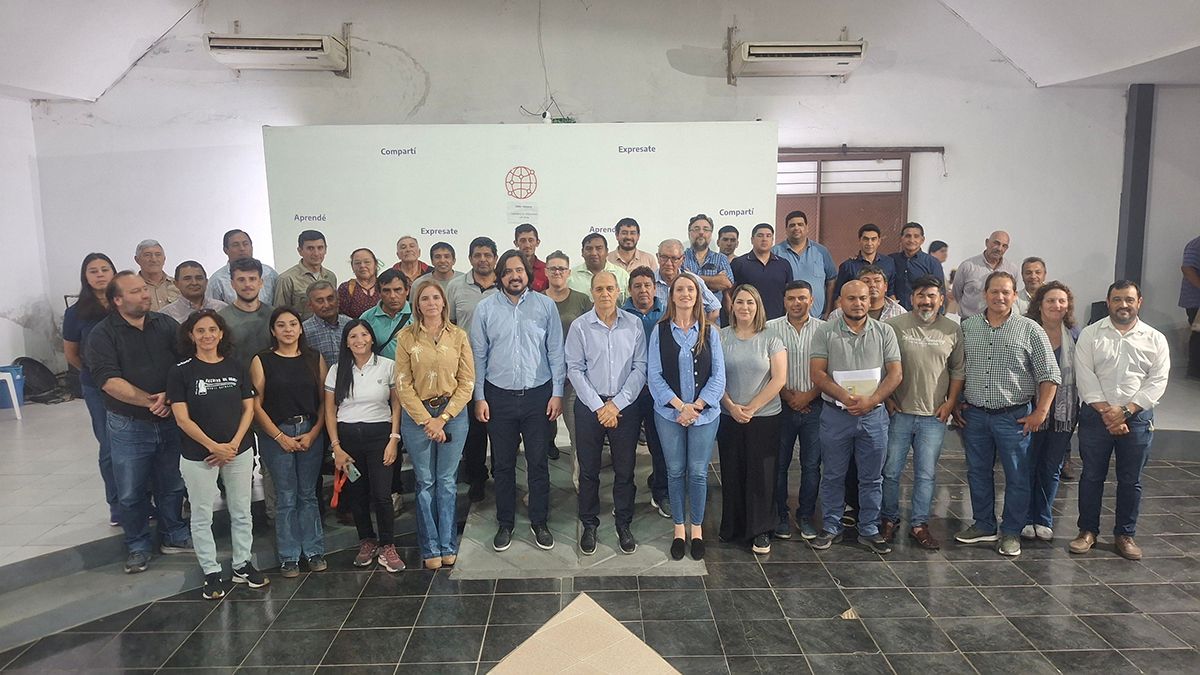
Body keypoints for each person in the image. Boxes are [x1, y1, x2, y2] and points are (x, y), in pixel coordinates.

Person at [84, 271, 191, 573]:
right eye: (135, 291)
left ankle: (174, 535)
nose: (144, 295)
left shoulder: (165, 324)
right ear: (117, 300)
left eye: (144, 289)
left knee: (172, 483)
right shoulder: (102, 335)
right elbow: (108, 380)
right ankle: (138, 545)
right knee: (131, 490)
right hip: (129, 424)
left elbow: (185, 362)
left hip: (169, 419)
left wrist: (170, 396)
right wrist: (151, 402)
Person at [955, 271, 1061, 557]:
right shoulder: (968, 327)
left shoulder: (1030, 329)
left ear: (1015, 296)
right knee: (977, 472)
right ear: (985, 294)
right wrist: (956, 401)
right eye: (994, 291)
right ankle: (984, 524)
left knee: (1017, 476)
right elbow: (958, 369)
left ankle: (1012, 531)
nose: (999, 297)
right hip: (975, 415)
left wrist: (1041, 412)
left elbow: (1050, 374)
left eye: (1006, 292)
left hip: (1013, 417)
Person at [168, 310, 267, 599]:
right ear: (191, 335)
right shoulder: (181, 371)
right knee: (201, 514)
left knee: (241, 511)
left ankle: (242, 565)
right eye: (200, 331)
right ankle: (211, 572)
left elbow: (248, 408)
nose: (207, 335)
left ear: (221, 333)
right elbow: (182, 418)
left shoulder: (236, 366)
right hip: (198, 454)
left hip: (238, 450)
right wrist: (213, 446)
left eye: (212, 329)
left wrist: (232, 445)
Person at [472, 250, 566, 552]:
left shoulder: (545, 305)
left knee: (538, 463)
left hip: (538, 396)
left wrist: (557, 392)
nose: (514, 276)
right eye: (508, 271)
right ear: (500, 276)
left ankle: (540, 521)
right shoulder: (485, 309)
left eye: (519, 270)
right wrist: (480, 397)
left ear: (528, 274)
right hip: (498, 396)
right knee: (502, 465)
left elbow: (556, 351)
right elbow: (478, 356)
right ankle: (505, 522)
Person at [1071, 280, 1170, 561]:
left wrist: (1126, 411)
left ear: (1139, 302)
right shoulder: (1091, 334)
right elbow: (1085, 376)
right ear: (1108, 302)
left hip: (1136, 418)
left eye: (1129, 299)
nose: (1123, 305)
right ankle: (1087, 531)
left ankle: (1125, 535)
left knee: (1131, 479)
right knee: (1091, 476)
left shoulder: (1155, 339)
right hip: (1096, 416)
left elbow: (1157, 380)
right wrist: (1109, 413)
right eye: (1117, 299)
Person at [808, 280, 903, 555]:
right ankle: (831, 526)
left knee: (872, 477)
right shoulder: (825, 332)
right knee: (833, 474)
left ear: (870, 300)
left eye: (863, 298)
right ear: (841, 301)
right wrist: (845, 397)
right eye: (851, 298)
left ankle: (869, 529)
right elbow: (817, 373)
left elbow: (896, 373)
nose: (858, 303)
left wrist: (871, 401)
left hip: (873, 416)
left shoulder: (885, 332)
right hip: (836, 415)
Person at [880, 276, 964, 550]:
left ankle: (919, 524)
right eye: (920, 295)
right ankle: (889, 519)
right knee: (890, 471)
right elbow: (881, 365)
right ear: (911, 298)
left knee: (926, 474)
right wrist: (887, 398)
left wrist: (950, 403)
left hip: (933, 416)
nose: (926, 301)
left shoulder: (952, 329)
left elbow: (958, 370)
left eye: (931, 296)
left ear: (941, 299)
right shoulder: (894, 326)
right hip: (899, 413)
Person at [395, 280, 475, 569]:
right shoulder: (406, 337)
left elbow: (467, 382)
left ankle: (448, 544)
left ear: (444, 302)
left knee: (447, 481)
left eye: (435, 298)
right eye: (425, 298)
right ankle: (430, 548)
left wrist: (442, 418)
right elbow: (402, 384)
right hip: (418, 416)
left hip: (452, 414)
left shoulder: (459, 336)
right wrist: (426, 420)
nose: (431, 303)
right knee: (425, 481)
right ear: (417, 305)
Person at [566, 271, 647, 555]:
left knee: (625, 470)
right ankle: (589, 524)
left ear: (618, 292)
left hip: (625, 408)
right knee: (588, 471)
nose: (605, 294)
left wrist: (617, 404)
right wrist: (600, 407)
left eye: (610, 288)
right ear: (592, 293)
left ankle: (623, 523)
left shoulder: (634, 324)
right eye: (599, 289)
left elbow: (640, 367)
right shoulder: (579, 327)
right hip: (591, 407)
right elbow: (574, 369)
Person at [648, 273, 726, 561]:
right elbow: (654, 375)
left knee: (698, 472)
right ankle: (679, 529)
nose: (685, 294)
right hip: (669, 414)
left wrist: (697, 407)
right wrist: (681, 407)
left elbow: (718, 376)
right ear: (672, 296)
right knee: (675, 470)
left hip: (704, 415)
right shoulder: (659, 331)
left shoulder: (711, 332)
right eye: (679, 289)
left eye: (690, 289)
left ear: (698, 295)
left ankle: (697, 530)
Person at [249, 307, 328, 577]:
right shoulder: (262, 360)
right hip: (276, 433)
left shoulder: (314, 358)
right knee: (285, 496)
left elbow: (324, 401)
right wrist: (279, 436)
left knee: (308, 494)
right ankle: (289, 556)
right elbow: (256, 405)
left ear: (300, 328)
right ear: (273, 330)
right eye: (281, 325)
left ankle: (314, 551)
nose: (288, 330)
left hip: (309, 431)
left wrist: (314, 432)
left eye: (293, 324)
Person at [324, 319, 405, 572]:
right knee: (356, 494)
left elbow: (396, 405)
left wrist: (394, 439)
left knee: (382, 494)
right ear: (346, 343)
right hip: (347, 439)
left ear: (371, 338)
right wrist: (336, 447)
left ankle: (388, 545)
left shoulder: (387, 366)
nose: (359, 340)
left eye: (364, 335)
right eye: (353, 336)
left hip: (380, 436)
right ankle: (367, 541)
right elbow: (329, 411)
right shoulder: (337, 370)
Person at [718, 285, 787, 555]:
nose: (744, 307)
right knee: (732, 471)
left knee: (761, 475)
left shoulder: (771, 337)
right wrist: (731, 406)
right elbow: (715, 378)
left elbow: (779, 379)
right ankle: (733, 527)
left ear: (758, 306)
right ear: (731, 306)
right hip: (729, 415)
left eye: (750, 302)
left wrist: (751, 407)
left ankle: (761, 531)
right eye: (739, 302)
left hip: (764, 417)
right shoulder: (721, 336)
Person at [1021, 280, 1080, 542]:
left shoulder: (1075, 335)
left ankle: (1043, 518)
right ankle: (1025, 517)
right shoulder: (1027, 330)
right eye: (1051, 301)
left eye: (1061, 301)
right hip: (1030, 408)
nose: (1057, 305)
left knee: (1051, 466)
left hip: (1064, 412)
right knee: (1028, 465)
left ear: (1068, 305)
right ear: (1040, 304)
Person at [63, 253, 119, 526]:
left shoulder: (124, 303)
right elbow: (72, 353)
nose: (99, 275)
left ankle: (144, 500)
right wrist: (97, 372)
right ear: (85, 277)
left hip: (132, 383)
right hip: (97, 387)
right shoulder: (75, 313)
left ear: (113, 272)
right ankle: (117, 505)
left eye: (104, 269)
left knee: (138, 445)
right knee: (109, 445)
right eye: (93, 271)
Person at [767, 281, 825, 541]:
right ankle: (780, 515)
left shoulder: (824, 329)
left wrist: (808, 396)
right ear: (784, 301)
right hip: (781, 406)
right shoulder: (771, 328)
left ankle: (806, 516)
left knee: (811, 465)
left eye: (802, 298)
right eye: (791, 298)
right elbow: (767, 368)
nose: (796, 303)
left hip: (815, 405)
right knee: (779, 464)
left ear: (811, 300)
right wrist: (787, 396)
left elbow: (830, 368)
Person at [447, 237, 499, 502]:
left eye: (488, 255)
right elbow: (449, 326)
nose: (483, 259)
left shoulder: (506, 286)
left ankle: (502, 474)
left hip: (500, 370)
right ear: (470, 258)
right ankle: (477, 477)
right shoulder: (456, 286)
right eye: (477, 255)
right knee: (474, 430)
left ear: (495, 258)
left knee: (501, 429)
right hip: (467, 370)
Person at [621, 266, 671, 518]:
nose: (643, 290)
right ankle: (624, 496)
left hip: (657, 392)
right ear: (630, 290)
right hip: (628, 392)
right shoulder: (620, 315)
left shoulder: (667, 314)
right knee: (625, 447)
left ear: (655, 288)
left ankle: (661, 492)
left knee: (659, 445)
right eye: (637, 286)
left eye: (647, 285)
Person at [544, 250, 593, 467]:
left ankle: (579, 481)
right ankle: (538, 484)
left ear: (569, 272)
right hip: (543, 378)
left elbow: (592, 337)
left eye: (562, 268)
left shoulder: (581, 300)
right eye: (553, 268)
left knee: (577, 434)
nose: (557, 272)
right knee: (540, 436)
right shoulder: (536, 300)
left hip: (574, 379)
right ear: (546, 272)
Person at [771, 211, 837, 318]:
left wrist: (828, 312)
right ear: (786, 230)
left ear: (807, 228)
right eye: (792, 225)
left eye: (800, 224)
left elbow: (831, 282)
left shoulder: (821, 252)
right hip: (785, 319)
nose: (796, 228)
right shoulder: (775, 253)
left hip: (818, 319)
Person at [217, 258, 274, 374]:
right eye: (241, 280)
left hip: (273, 379)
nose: (247, 284)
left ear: (261, 282)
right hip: (236, 380)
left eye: (252, 279)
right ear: (232, 284)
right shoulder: (220, 319)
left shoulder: (275, 316)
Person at [729, 223, 793, 320]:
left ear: (772, 240)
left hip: (777, 320)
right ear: (752, 240)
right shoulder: (739, 263)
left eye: (768, 236)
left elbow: (790, 294)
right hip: (747, 321)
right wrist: (732, 316)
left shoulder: (783, 264)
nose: (764, 239)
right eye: (760, 235)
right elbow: (728, 294)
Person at [953, 231, 1020, 318]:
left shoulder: (1012, 269)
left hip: (1001, 321)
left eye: (1004, 246)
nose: (999, 248)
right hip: (970, 321)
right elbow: (957, 293)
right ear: (987, 242)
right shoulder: (967, 266)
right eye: (996, 243)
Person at [275, 230, 337, 319]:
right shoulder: (286, 279)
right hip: (301, 327)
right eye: (310, 248)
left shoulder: (331, 276)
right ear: (300, 251)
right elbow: (279, 315)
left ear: (326, 249)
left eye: (320, 248)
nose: (316, 253)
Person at [656, 239, 721, 322]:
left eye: (674, 258)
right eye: (664, 257)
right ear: (657, 257)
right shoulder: (648, 282)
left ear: (682, 259)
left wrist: (701, 327)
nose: (668, 263)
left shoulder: (693, 281)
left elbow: (714, 309)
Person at [208, 229, 278, 305]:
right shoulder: (217, 280)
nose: (242, 248)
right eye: (236, 245)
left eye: (245, 244)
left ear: (252, 247)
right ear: (225, 250)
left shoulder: (269, 273)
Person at [832, 224, 897, 303]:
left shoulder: (889, 263)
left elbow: (891, 292)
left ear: (879, 241)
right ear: (860, 240)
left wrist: (896, 309)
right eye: (866, 239)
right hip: (856, 307)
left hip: (882, 308)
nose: (869, 243)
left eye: (873, 239)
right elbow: (840, 296)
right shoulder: (848, 266)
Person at [889, 222, 944, 310]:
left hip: (922, 311)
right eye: (908, 236)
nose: (911, 240)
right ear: (901, 238)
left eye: (916, 236)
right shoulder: (891, 260)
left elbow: (939, 291)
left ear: (922, 240)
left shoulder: (932, 263)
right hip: (894, 312)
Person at [359, 269, 412, 360]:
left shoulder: (419, 314)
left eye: (397, 290)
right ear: (379, 293)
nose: (392, 296)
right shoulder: (367, 318)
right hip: (380, 368)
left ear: (407, 290)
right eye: (386, 291)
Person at [827, 266, 905, 322]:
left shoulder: (900, 313)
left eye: (877, 281)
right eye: (866, 281)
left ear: (885, 286)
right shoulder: (838, 315)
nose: (872, 285)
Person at [568, 233, 630, 304]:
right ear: (582, 252)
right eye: (589, 249)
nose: (594, 253)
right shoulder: (571, 276)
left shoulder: (622, 275)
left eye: (599, 248)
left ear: (607, 251)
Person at [302, 281, 353, 366]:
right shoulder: (304, 330)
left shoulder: (350, 324)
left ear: (338, 300)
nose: (327, 305)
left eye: (330, 299)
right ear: (310, 305)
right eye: (320, 301)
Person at [683, 214, 735, 296]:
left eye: (706, 229)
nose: (701, 232)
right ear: (689, 234)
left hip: (714, 305)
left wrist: (693, 277)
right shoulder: (680, 258)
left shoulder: (721, 259)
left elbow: (726, 283)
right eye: (696, 229)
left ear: (711, 234)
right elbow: (680, 282)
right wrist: (714, 281)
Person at [161, 261, 226, 323]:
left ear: (206, 282)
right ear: (176, 284)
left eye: (199, 278)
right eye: (187, 279)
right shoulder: (165, 315)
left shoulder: (221, 308)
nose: (194, 283)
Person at [133, 239, 180, 311]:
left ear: (164, 259)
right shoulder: (131, 288)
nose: (153, 259)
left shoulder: (177, 285)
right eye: (147, 255)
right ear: (137, 260)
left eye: (158, 255)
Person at [337, 248, 382, 319]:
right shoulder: (345, 288)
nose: (362, 266)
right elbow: (342, 317)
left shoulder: (384, 285)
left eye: (367, 262)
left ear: (375, 264)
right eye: (357, 263)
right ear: (352, 266)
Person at [1179, 235, 1200, 378]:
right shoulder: (1196, 245)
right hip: (1196, 300)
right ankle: (1195, 372)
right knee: (1199, 333)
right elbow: (1187, 269)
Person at [515, 224, 549, 291]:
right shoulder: (510, 269)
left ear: (537, 242)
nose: (527, 245)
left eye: (531, 240)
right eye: (523, 241)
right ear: (516, 243)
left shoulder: (546, 270)